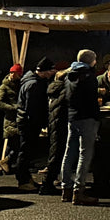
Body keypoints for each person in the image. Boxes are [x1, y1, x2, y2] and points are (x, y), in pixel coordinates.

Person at [61, 49, 101, 205]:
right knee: (85, 154)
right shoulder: (90, 77)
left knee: (69, 151)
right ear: (91, 61)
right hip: (87, 118)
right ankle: (79, 190)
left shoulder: (69, 76)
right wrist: (97, 118)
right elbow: (92, 101)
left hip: (72, 117)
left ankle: (66, 188)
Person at [15, 57, 56, 191]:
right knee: (25, 151)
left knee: (25, 150)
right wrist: (40, 122)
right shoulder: (34, 85)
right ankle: (23, 181)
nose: (53, 73)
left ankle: (26, 179)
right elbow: (32, 108)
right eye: (51, 70)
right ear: (45, 71)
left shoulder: (30, 81)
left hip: (24, 120)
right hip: (29, 122)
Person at [42, 64, 70, 196]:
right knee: (57, 154)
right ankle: (47, 183)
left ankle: (49, 182)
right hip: (60, 123)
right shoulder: (64, 90)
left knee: (55, 153)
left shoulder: (54, 88)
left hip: (54, 123)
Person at [0, 63, 23, 173]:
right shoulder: (4, 86)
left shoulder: (19, 84)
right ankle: (6, 161)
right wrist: (13, 108)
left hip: (18, 117)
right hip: (10, 119)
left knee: (14, 143)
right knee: (14, 142)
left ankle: (7, 163)